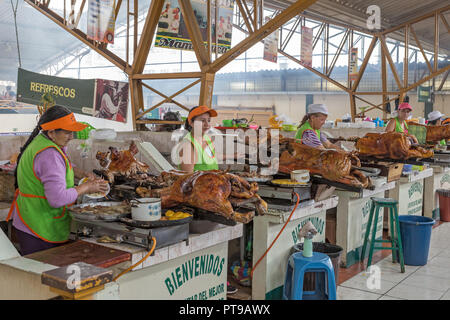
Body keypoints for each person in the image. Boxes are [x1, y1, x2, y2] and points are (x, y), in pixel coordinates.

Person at [6, 105, 109, 255]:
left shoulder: (43, 142)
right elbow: (57, 199)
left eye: (72, 132)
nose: (71, 136)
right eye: (67, 132)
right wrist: (86, 187)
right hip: (40, 225)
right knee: (42, 274)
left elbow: (62, 168)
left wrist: (81, 174)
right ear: (52, 132)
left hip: (31, 217)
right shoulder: (49, 155)